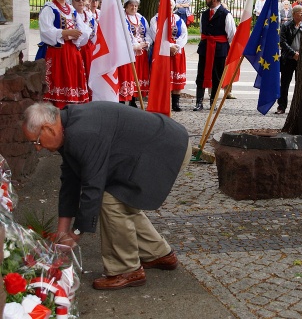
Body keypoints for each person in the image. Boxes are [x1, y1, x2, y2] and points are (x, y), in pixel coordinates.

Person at [22, 101, 192, 290]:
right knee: (121, 200)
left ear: (49, 129)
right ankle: (158, 254)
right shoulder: (68, 126)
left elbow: (92, 187)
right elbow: (70, 181)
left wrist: (75, 234)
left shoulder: (82, 133)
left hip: (166, 151)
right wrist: (62, 232)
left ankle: (126, 269)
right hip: (159, 144)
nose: (37, 148)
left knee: (110, 200)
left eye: (36, 141)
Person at [38, 0, 91, 109]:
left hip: (72, 53)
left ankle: (72, 112)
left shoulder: (72, 10)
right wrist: (65, 33)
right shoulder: (49, 9)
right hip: (57, 54)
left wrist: (76, 35)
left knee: (72, 83)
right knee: (58, 82)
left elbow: (84, 30)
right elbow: (45, 31)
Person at [193, 0, 236, 111]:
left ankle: (213, 102)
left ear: (214, 0)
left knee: (217, 75)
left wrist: (219, 41)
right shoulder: (204, 14)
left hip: (219, 49)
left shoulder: (226, 15)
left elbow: (232, 34)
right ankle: (199, 101)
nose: (206, 0)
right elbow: (202, 30)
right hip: (205, 47)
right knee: (201, 74)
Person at [149, 0, 188, 112]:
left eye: (170, 5)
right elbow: (156, 35)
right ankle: (162, 102)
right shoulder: (155, 19)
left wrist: (176, 46)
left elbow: (184, 34)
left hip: (177, 51)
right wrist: (168, 46)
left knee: (177, 77)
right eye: (166, 5)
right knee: (163, 78)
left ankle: (175, 103)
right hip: (162, 52)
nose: (169, 7)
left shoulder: (178, 19)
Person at [119, 0, 151, 107]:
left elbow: (148, 33)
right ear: (126, 6)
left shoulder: (141, 18)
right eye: (131, 5)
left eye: (136, 5)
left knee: (139, 75)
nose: (134, 8)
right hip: (129, 51)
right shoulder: (122, 18)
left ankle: (134, 99)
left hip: (141, 52)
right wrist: (135, 45)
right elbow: (123, 34)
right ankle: (122, 99)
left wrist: (146, 42)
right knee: (129, 75)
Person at [275, 5, 302, 114]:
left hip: (301, 59)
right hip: (288, 58)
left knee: (300, 83)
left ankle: (298, 107)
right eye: (300, 13)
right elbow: (283, 42)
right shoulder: (286, 26)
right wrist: (293, 53)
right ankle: (281, 106)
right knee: (285, 83)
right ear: (294, 14)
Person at [70, 0, 97, 97]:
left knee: (89, 74)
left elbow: (95, 34)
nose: (80, 1)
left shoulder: (90, 17)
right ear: (72, 1)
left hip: (88, 50)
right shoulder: (71, 16)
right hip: (75, 49)